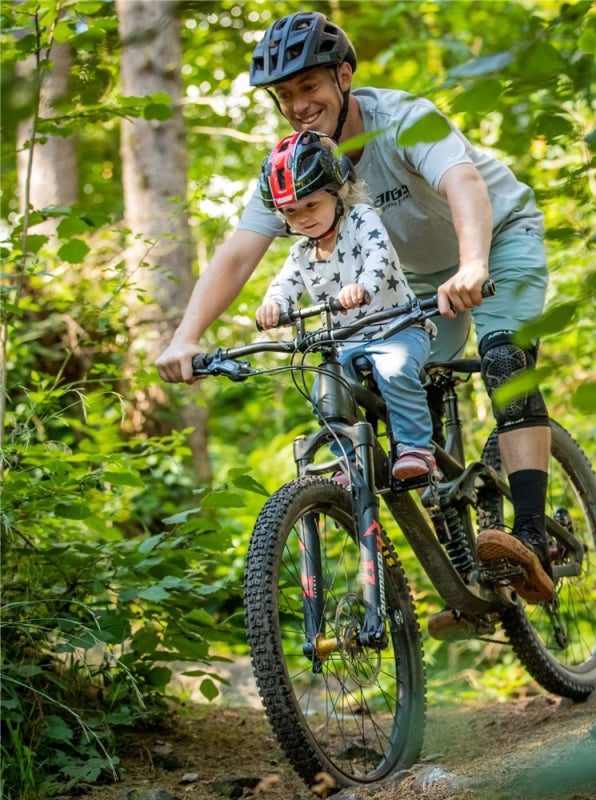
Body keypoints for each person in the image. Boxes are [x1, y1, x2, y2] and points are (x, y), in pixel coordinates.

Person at [156, 11, 555, 636]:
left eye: (308, 87)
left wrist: (474, 263)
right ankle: (467, 574)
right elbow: (239, 251)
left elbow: (464, 182)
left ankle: (534, 539)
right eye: (284, 95)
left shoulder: (403, 118)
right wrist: (186, 337)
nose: (296, 105)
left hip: (497, 240)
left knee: (503, 357)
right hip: (412, 280)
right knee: (395, 383)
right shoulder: (299, 166)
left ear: (344, 77)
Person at [255, 129, 438, 484]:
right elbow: (284, 285)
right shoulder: (301, 253)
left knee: (396, 370)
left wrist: (363, 286)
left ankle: (416, 448)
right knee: (326, 390)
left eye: (312, 205)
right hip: (348, 343)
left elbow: (379, 255)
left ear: (339, 192)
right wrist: (273, 305)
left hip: (397, 328)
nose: (304, 218)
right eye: (291, 213)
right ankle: (351, 460)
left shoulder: (360, 219)